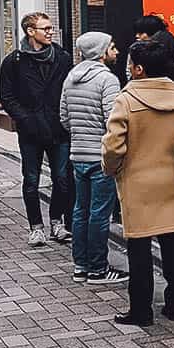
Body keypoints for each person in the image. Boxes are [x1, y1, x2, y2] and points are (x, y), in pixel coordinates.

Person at [102, 40, 174, 326]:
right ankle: (173, 306)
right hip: (170, 179)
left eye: (130, 63)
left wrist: (112, 169)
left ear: (139, 69)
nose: (127, 67)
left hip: (136, 181)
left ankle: (141, 311)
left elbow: (113, 146)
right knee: (172, 242)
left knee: (139, 249)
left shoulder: (127, 99)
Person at [0, 12, 73, 247]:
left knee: (62, 179)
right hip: (31, 132)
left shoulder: (62, 57)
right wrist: (26, 119)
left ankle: (57, 222)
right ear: (31, 32)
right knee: (31, 180)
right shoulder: (14, 62)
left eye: (51, 28)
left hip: (59, 128)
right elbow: (7, 97)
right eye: (45, 28)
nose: (51, 32)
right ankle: (36, 227)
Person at [60, 31, 127, 285]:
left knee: (80, 211)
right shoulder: (107, 80)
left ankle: (81, 266)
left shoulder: (70, 78)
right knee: (100, 214)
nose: (117, 51)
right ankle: (98, 269)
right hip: (101, 157)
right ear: (101, 52)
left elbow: (64, 118)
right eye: (112, 47)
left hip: (77, 155)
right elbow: (114, 120)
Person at [130, 14, 174, 81]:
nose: (137, 36)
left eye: (141, 33)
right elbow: (130, 74)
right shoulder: (135, 51)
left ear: (155, 34)